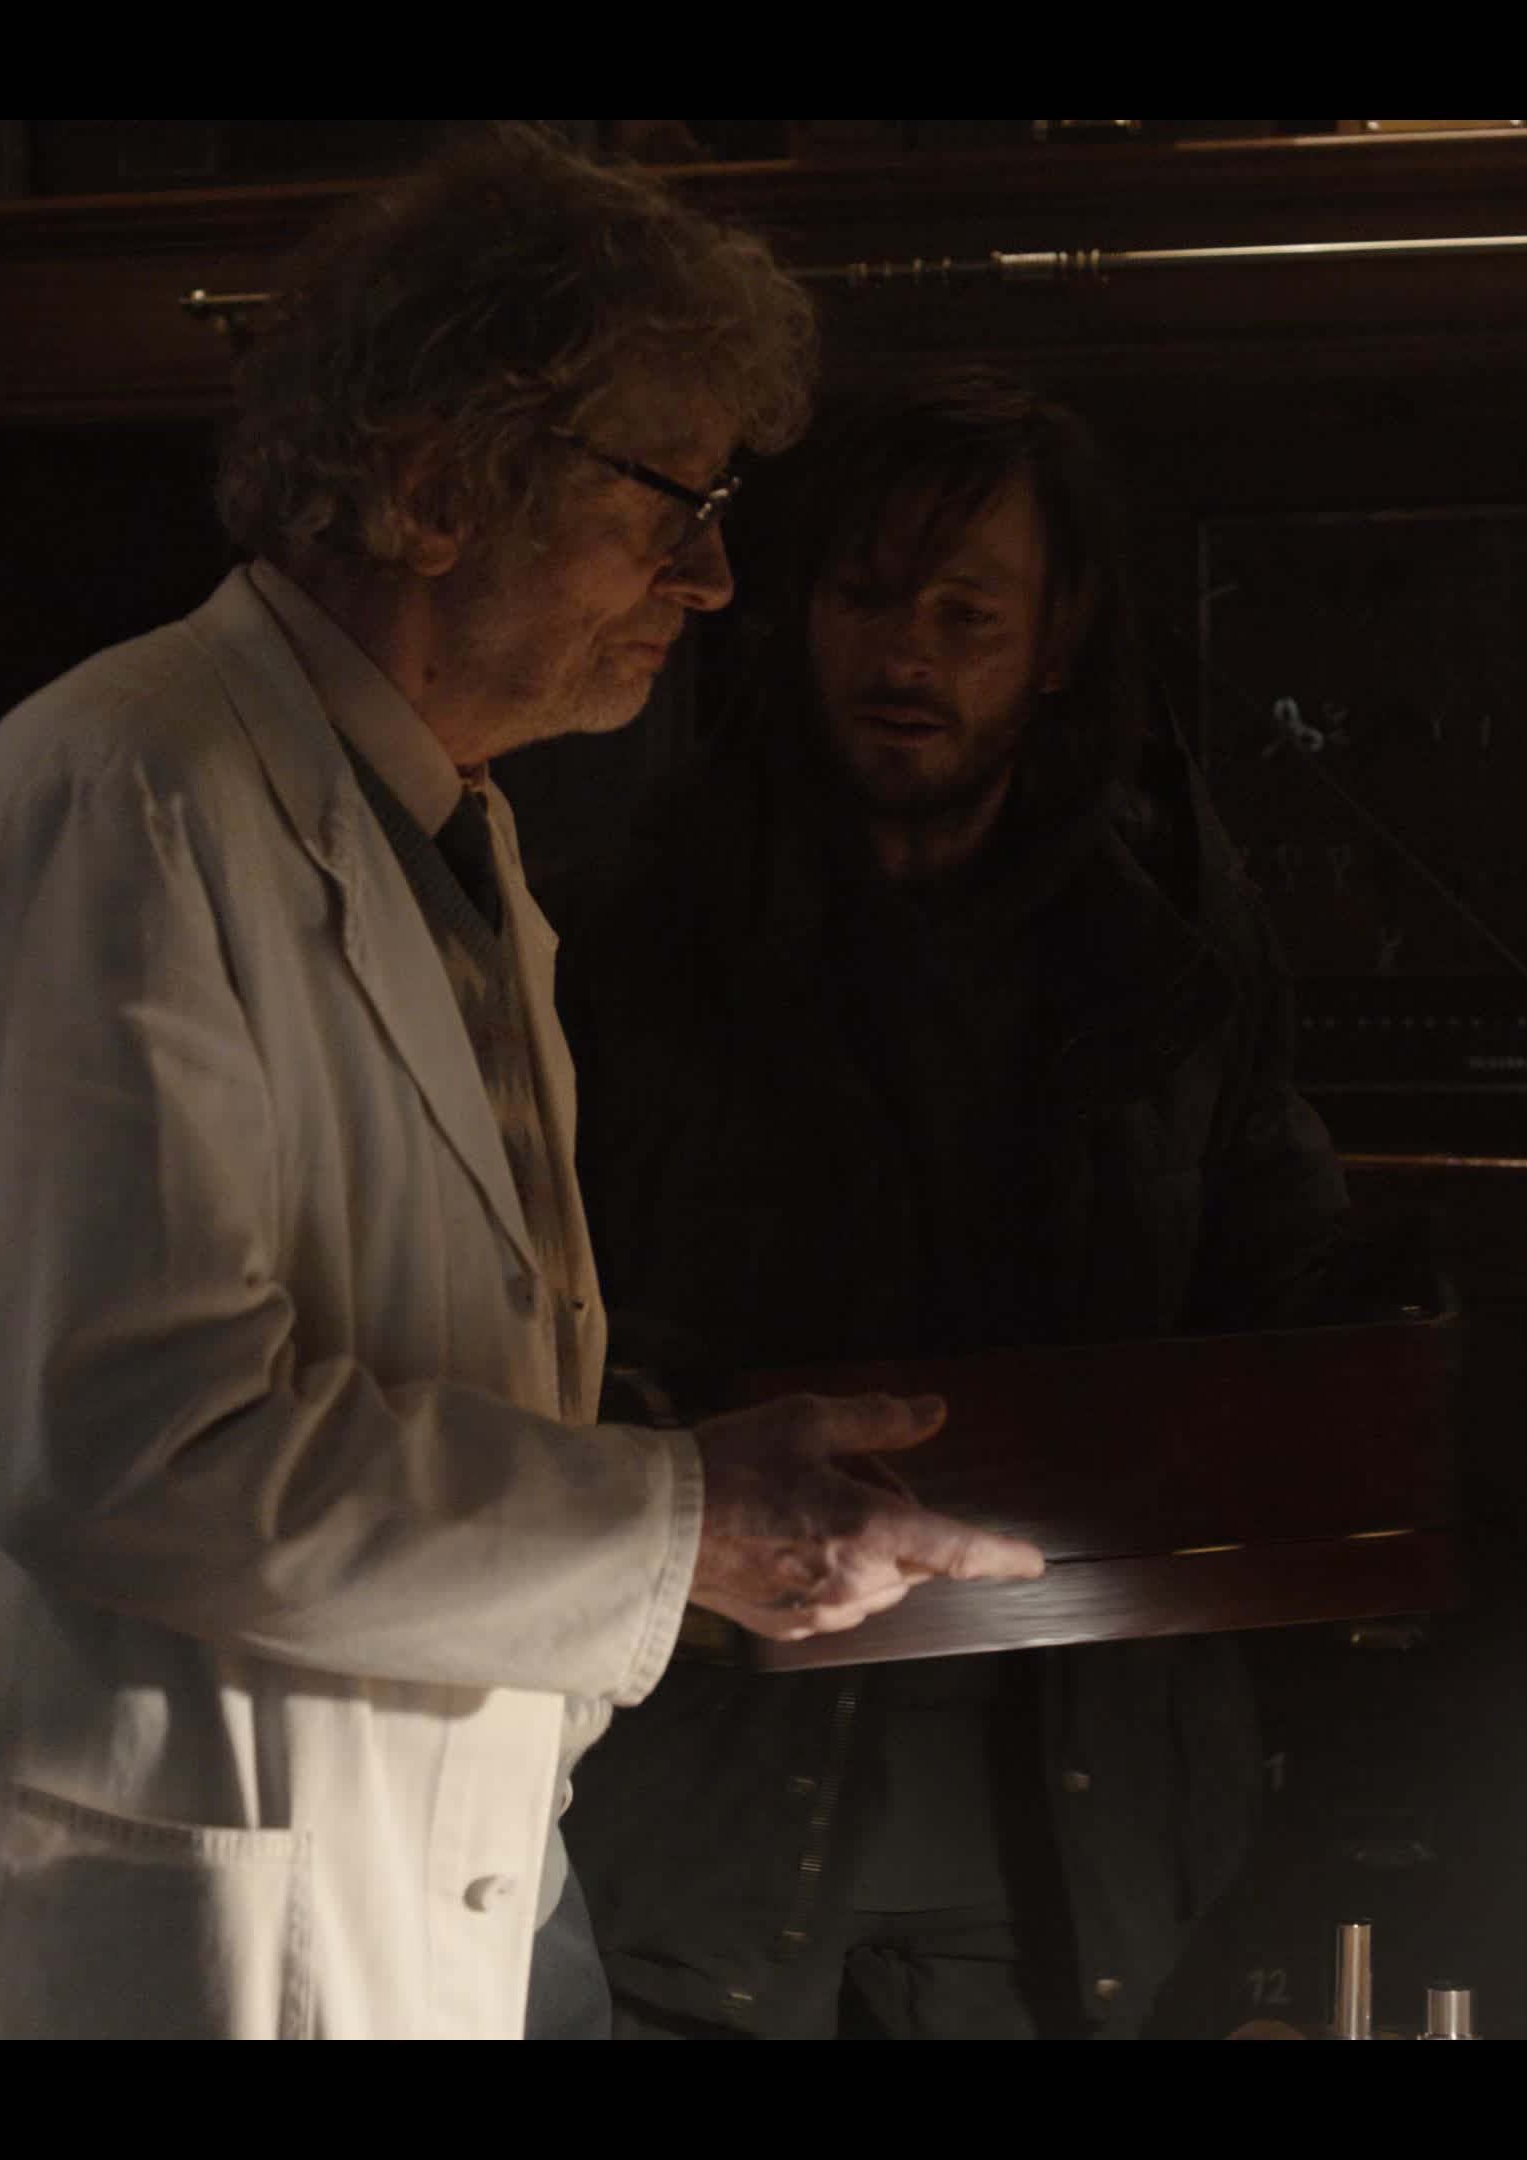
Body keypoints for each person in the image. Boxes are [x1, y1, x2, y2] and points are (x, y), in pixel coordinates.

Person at [0, 128, 1043, 2042]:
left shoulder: (448, 835)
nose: (713, 574)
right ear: (431, 492)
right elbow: (126, 1442)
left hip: (427, 1885)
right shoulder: (122, 791)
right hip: (180, 1940)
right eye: (672, 502)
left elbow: (423, 1377)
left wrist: (679, 1495)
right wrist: (680, 1522)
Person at [551, 367, 1360, 2039]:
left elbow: (1273, 1271)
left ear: (1056, 644)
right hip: (699, 1819)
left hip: (1060, 1833)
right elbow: (524, 1323)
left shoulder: (1169, 955)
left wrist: (1375, 1342)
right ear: (793, 615)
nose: (905, 654)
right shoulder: (635, 930)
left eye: (966, 613)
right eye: (863, 597)